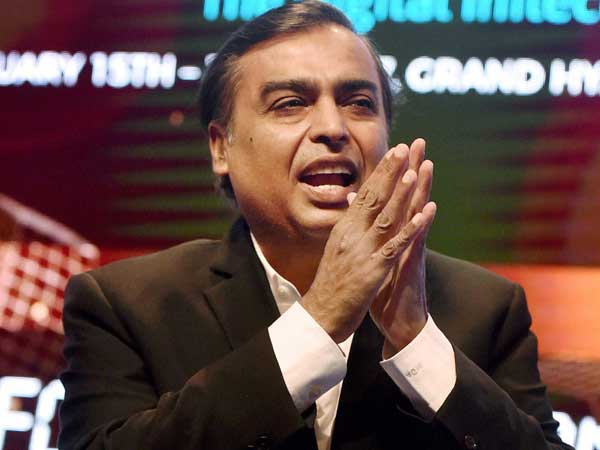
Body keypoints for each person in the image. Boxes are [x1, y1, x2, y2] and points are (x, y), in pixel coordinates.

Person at [58, 2, 573, 449]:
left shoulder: (485, 308)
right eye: (290, 104)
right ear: (221, 147)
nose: (333, 128)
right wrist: (320, 319)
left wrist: (416, 343)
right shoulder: (124, 306)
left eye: (359, 103)